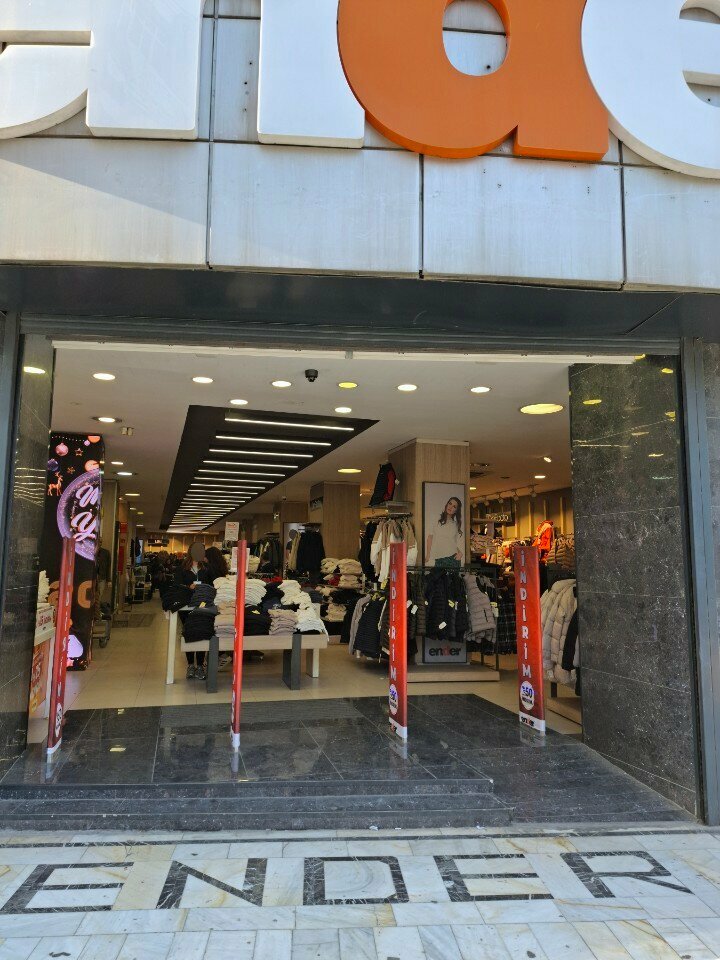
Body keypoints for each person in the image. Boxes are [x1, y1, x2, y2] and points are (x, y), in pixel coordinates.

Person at [175, 542, 208, 680]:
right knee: (188, 633)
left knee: (201, 632)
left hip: (202, 605)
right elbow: (177, 585)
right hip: (186, 606)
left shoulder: (206, 568)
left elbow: (211, 584)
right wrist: (189, 586)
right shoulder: (182, 568)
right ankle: (190, 665)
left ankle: (200, 665)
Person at [426, 496, 464, 568]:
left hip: (453, 559)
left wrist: (460, 553)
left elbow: (452, 543)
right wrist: (428, 555)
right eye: (450, 504)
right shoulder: (437, 519)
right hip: (439, 559)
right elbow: (430, 537)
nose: (451, 507)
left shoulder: (455, 525)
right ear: (447, 504)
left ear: (456, 510)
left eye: (454, 506)